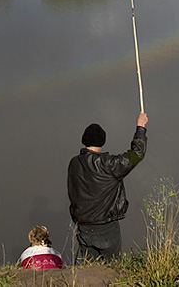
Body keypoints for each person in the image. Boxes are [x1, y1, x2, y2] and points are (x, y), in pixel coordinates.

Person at [67, 111, 148, 262]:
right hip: (107, 228)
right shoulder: (109, 165)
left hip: (83, 227)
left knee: (88, 272)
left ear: (84, 140)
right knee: (113, 269)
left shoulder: (74, 164)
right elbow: (137, 154)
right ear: (102, 141)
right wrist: (140, 127)